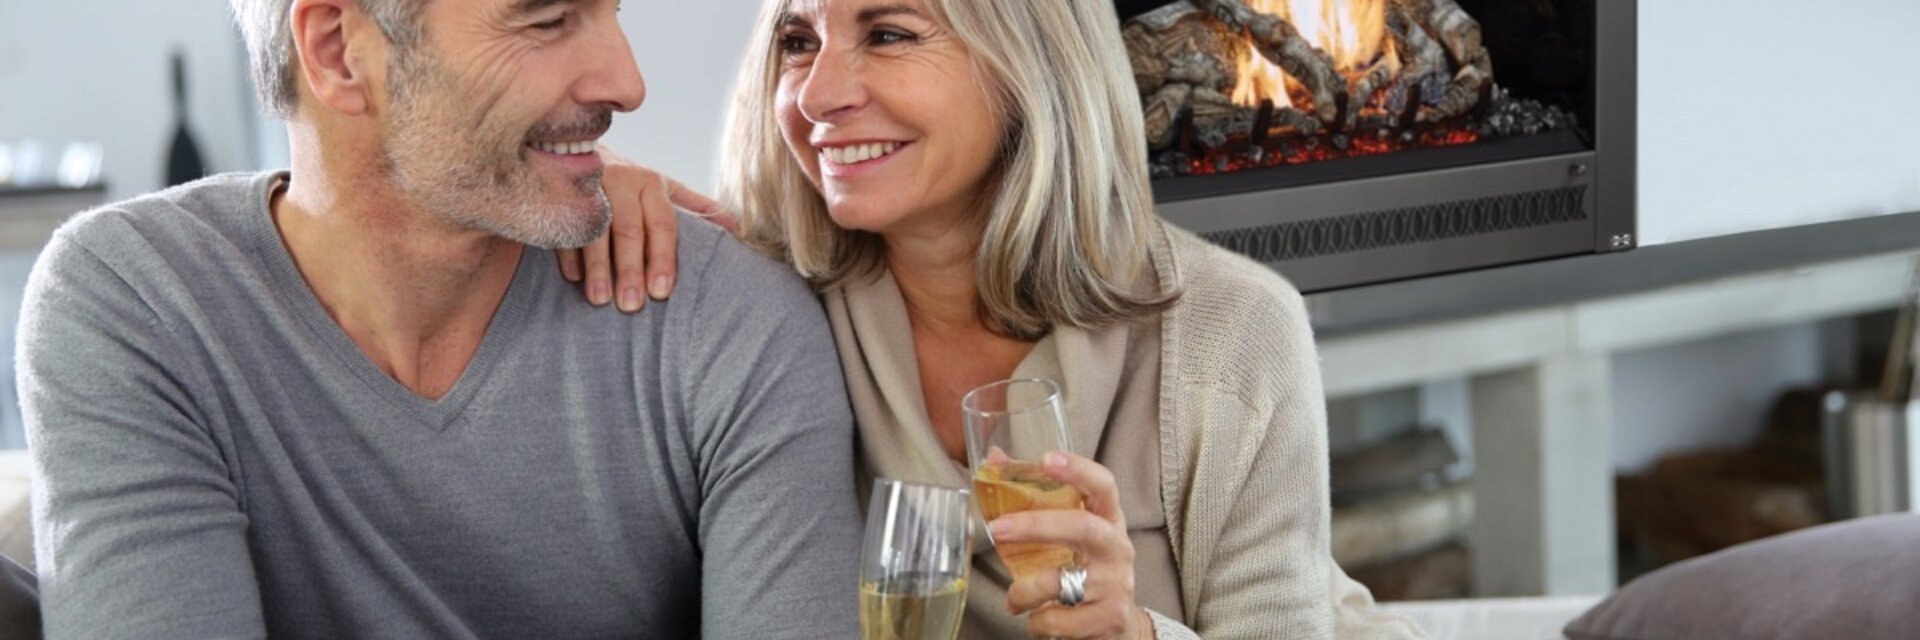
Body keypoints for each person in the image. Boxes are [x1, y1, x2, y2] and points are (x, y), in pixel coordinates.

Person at [561, 0, 1431, 638]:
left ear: (1028, 62)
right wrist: (596, 189)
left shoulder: (1232, 332)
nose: (820, 93)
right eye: (797, 41)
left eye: (891, 33)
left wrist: (1137, 633)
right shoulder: (766, 308)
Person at [16, 0, 861, 637]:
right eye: (546, 19)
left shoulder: (728, 321)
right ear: (338, 52)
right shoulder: (138, 303)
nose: (627, 83)